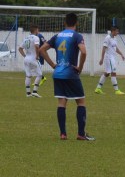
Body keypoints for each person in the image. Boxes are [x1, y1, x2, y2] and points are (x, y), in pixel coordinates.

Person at [39, 13, 94, 141]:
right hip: (70, 73)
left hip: (57, 73)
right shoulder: (77, 36)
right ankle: (81, 133)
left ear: (65, 23)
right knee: (80, 101)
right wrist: (80, 68)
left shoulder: (57, 35)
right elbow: (84, 51)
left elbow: (42, 50)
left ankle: (63, 134)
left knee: (61, 102)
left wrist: (53, 64)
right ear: (76, 23)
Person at [95, 26, 125, 95]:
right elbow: (104, 48)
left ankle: (98, 88)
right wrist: (102, 58)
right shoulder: (107, 38)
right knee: (113, 72)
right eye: (117, 31)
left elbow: (115, 48)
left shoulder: (114, 38)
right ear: (113, 31)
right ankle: (117, 90)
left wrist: (121, 54)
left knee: (107, 73)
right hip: (109, 58)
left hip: (112, 57)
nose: (118, 33)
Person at [18, 24, 42, 97]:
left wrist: (25, 56)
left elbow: (20, 48)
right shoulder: (36, 38)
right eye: (38, 30)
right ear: (35, 30)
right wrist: (37, 56)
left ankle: (28, 93)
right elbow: (37, 47)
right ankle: (35, 91)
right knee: (39, 75)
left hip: (26, 58)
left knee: (28, 75)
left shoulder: (26, 38)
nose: (38, 31)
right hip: (33, 58)